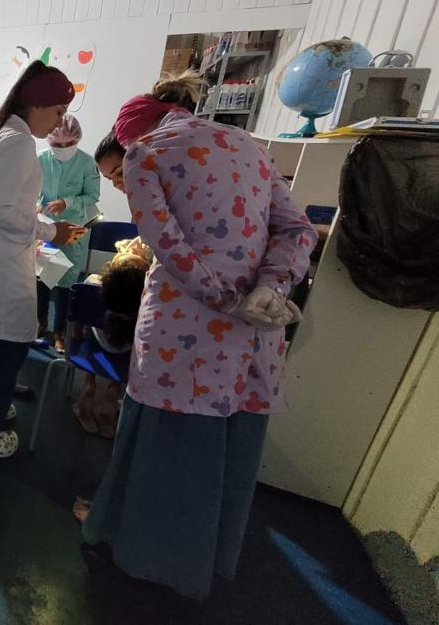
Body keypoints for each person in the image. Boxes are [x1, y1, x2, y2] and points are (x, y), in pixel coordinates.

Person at [80, 70, 316, 598]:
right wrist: (269, 289)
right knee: (226, 450)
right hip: (254, 336)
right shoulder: (250, 146)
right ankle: (208, 558)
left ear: (131, 135)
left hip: (185, 330)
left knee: (166, 448)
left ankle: (146, 557)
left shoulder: (146, 154)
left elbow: (168, 247)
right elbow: (298, 229)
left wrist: (223, 298)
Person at [0, 61, 86, 458]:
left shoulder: (1, 133)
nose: (60, 122)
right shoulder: (19, 142)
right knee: (7, 347)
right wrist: (50, 231)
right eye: (58, 111)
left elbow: (3, 205)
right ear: (37, 104)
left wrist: (41, 223)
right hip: (2, 261)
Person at [73, 237, 151, 438]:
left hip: (92, 352)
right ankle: (113, 392)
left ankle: (89, 384)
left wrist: (75, 338)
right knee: (130, 341)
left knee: (90, 333)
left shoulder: (91, 285)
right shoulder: (147, 302)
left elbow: (76, 330)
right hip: (126, 358)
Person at [36, 114, 100, 353]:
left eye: (69, 143)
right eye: (57, 144)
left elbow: (92, 196)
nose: (63, 149)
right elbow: (32, 189)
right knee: (42, 278)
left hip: (74, 229)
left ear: (77, 140)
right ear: (48, 139)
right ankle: (40, 322)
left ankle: (60, 331)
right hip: (45, 227)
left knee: (65, 282)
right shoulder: (41, 159)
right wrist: (36, 204)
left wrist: (67, 202)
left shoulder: (87, 163)